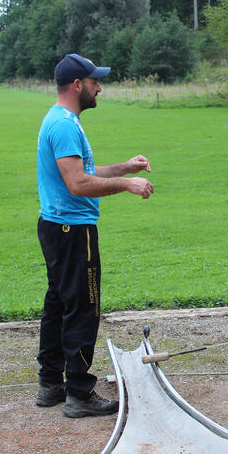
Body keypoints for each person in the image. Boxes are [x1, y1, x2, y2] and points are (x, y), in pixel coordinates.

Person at [35, 53, 155, 417]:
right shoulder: (65, 125)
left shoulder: (61, 120)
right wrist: (128, 185)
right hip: (74, 231)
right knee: (83, 308)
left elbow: (85, 169)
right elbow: (78, 183)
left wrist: (125, 167)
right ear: (77, 85)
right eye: (94, 82)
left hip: (57, 226)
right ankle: (80, 394)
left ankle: (51, 383)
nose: (99, 87)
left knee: (58, 304)